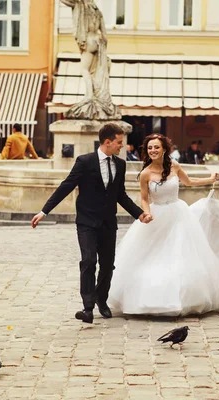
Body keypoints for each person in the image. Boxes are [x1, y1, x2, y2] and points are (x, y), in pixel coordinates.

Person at [108, 134, 219, 316]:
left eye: (156, 147)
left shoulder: (174, 165)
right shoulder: (146, 173)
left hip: (178, 214)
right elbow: (144, 197)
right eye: (150, 148)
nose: (153, 151)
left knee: (181, 252)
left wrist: (209, 179)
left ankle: (188, 297)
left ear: (164, 149)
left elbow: (189, 182)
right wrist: (146, 212)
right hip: (157, 215)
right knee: (152, 254)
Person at [31, 123, 152, 324]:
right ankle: (87, 308)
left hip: (107, 222)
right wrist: (44, 211)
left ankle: (101, 300)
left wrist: (139, 214)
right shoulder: (84, 161)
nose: (122, 146)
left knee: (107, 265)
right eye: (119, 142)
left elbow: (120, 195)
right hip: (86, 222)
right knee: (88, 261)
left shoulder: (120, 164)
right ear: (107, 142)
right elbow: (66, 186)